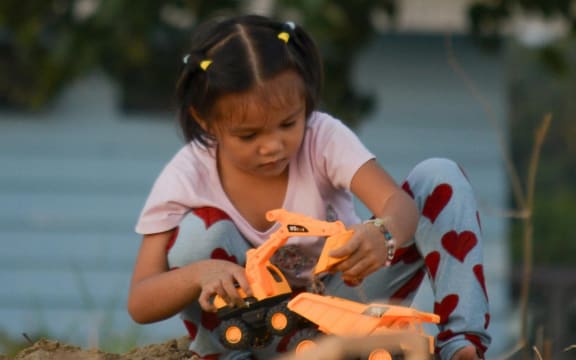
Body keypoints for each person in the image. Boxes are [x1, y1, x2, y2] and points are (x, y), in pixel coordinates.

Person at [127, 14, 491, 360]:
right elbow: (140, 302)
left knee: (439, 176)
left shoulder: (322, 139)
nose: (272, 145)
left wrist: (383, 232)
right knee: (197, 233)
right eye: (248, 135)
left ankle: (459, 344)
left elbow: (398, 205)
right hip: (251, 330)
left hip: (345, 310)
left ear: (306, 102)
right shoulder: (187, 175)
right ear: (204, 120)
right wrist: (199, 274)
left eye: (288, 123)